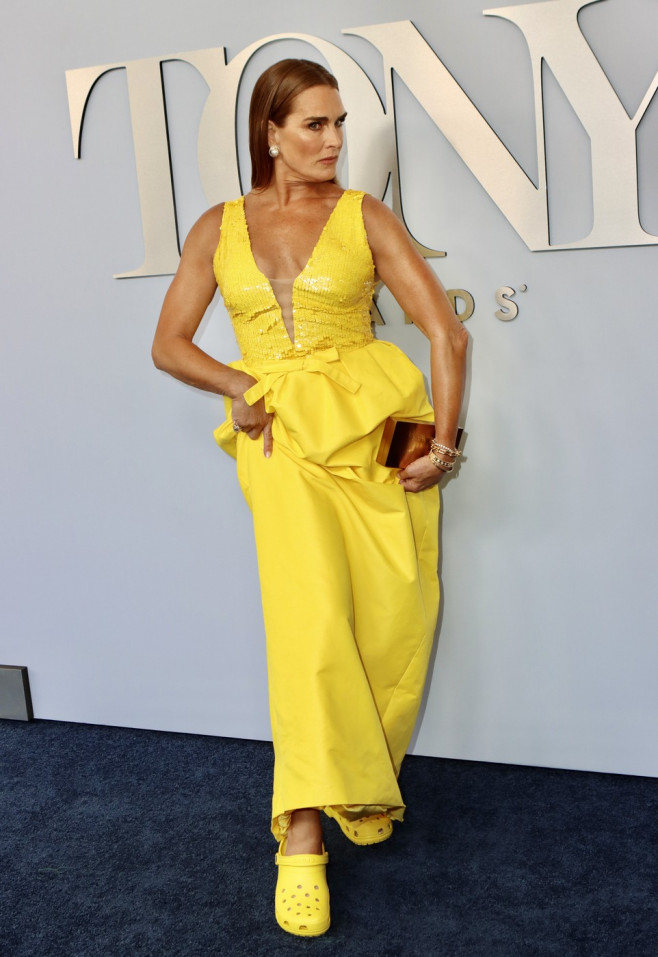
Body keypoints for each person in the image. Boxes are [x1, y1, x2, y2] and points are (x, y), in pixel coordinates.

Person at [152, 58, 468, 938]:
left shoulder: (365, 215)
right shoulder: (217, 226)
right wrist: (239, 385)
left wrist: (443, 443)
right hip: (281, 442)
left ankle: (357, 777)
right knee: (309, 624)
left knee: (386, 616)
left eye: (338, 124)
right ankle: (300, 836)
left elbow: (445, 331)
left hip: (367, 434)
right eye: (315, 126)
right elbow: (170, 344)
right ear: (270, 132)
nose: (333, 141)